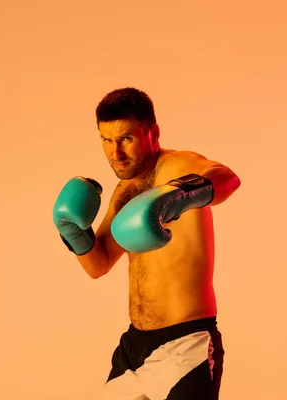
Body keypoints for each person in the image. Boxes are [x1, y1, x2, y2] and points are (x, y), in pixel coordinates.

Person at [52, 87, 241, 399]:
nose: (116, 153)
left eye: (126, 138)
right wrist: (73, 231)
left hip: (186, 343)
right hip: (134, 347)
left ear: (152, 132)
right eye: (106, 140)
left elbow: (227, 178)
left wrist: (177, 195)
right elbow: (97, 266)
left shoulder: (178, 166)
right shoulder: (125, 190)